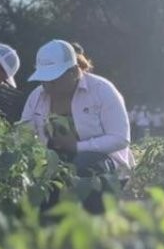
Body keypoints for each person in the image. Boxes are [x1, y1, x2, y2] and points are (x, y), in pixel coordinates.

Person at [20, 39, 132, 175]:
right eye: (43, 79)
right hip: (54, 163)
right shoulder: (37, 96)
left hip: (104, 166)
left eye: (54, 80)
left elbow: (120, 138)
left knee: (84, 164)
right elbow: (24, 135)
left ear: (73, 72)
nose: (47, 85)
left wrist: (76, 147)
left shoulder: (101, 90)